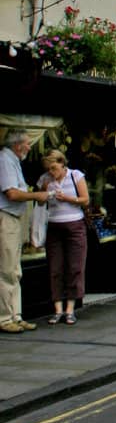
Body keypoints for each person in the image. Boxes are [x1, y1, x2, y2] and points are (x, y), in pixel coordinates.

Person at [0, 129, 50, 332]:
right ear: (18, 144)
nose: (30, 147)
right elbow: (11, 193)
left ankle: (16, 314)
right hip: (6, 217)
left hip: (14, 217)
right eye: (28, 143)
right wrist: (36, 196)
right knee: (7, 269)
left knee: (14, 269)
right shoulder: (4, 160)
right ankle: (4, 318)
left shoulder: (12, 160)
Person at [37, 150, 90, 324]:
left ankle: (70, 309)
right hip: (54, 225)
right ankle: (58, 308)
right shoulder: (46, 179)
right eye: (48, 169)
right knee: (55, 268)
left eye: (54, 168)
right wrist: (44, 193)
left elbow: (85, 200)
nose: (52, 172)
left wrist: (66, 198)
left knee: (75, 266)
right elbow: (39, 202)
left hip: (75, 224)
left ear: (62, 163)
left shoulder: (75, 175)